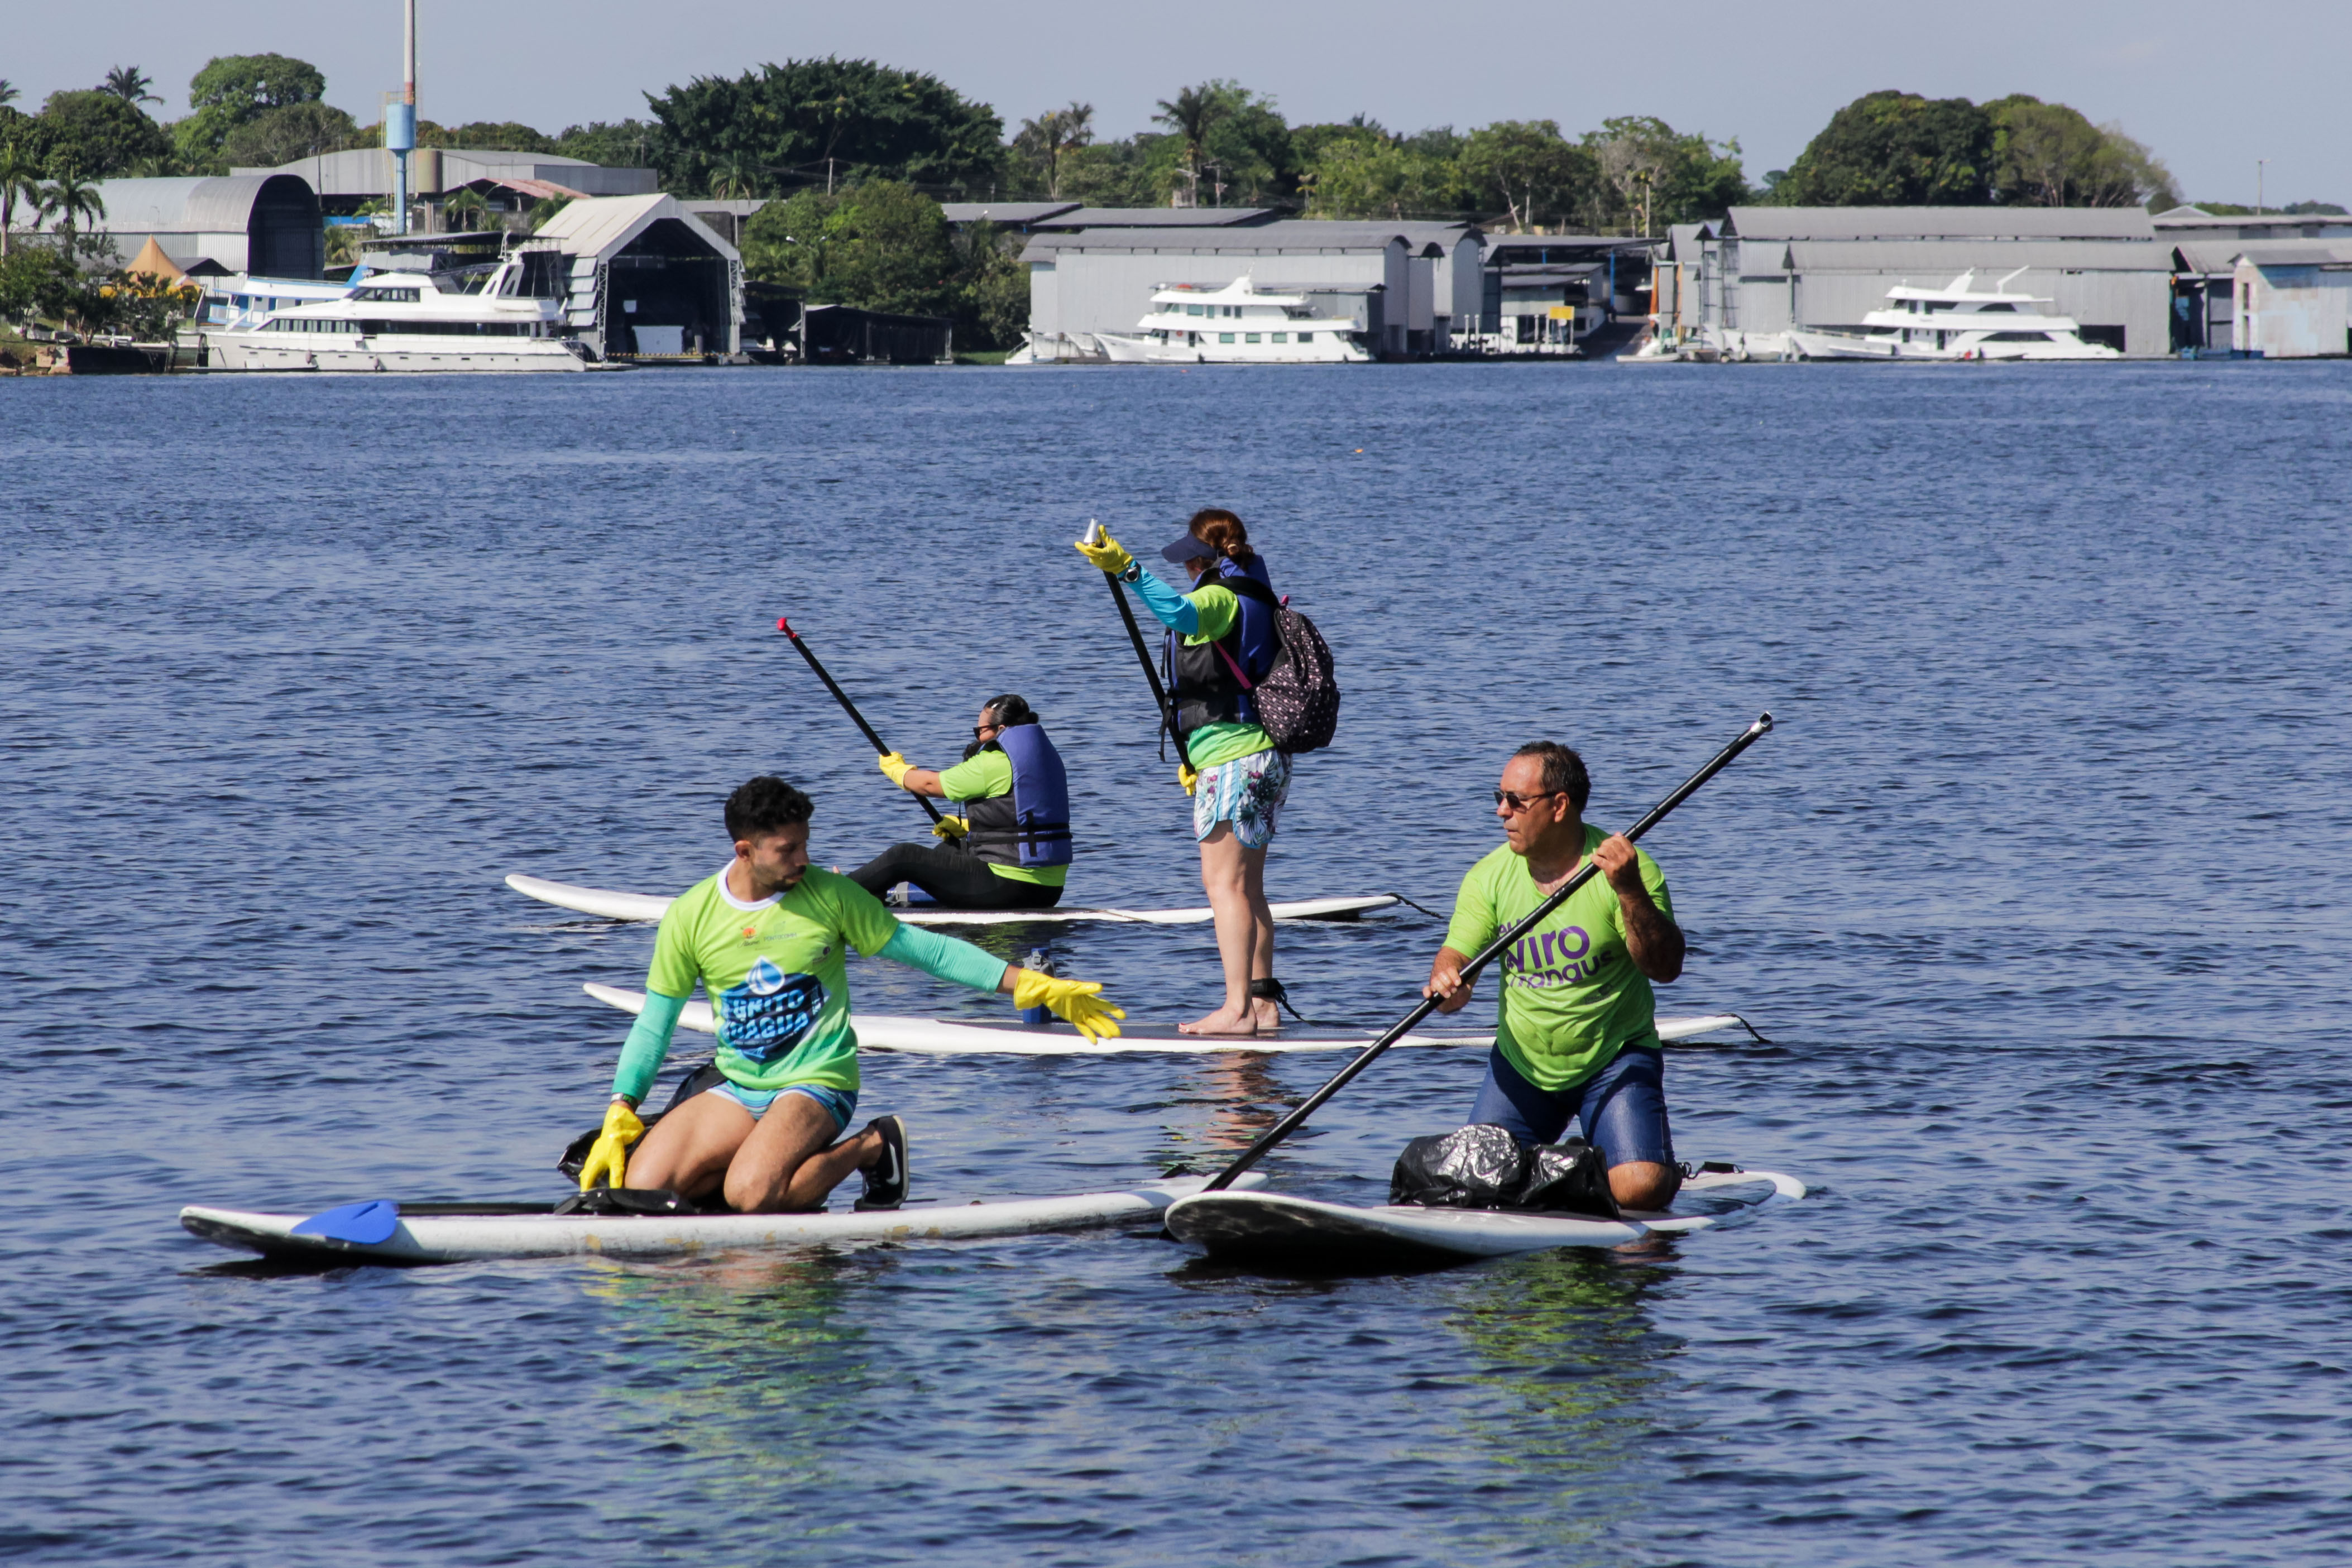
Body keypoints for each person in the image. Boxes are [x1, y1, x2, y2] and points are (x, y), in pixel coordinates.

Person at [574, 775, 1122, 1212]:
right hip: (737, 1084)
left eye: (806, 844)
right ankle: (747, 1164)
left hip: (818, 1082)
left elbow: (925, 949)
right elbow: (656, 1021)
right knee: (644, 1194)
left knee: (751, 1195)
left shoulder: (831, 897)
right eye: (788, 850)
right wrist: (622, 1104)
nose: (803, 860)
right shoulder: (691, 915)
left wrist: (1025, 982)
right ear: (745, 850)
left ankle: (872, 1145)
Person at [1421, 742, 1687, 1211]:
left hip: (1614, 1058)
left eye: (1516, 801)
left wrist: (1627, 890)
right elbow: (1453, 973)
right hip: (1521, 1068)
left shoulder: (1629, 868)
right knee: (1465, 1186)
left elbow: (1664, 969)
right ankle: (1569, 1168)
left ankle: (1618, 1161)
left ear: (1559, 805)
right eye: (1498, 796)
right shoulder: (1487, 877)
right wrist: (1447, 980)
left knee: (1639, 1191)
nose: (1501, 811)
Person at [1076, 511, 1290, 1037]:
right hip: (1258, 756)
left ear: (1210, 555)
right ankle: (1262, 1004)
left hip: (1234, 758)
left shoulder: (1219, 596)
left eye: (1193, 556)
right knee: (1248, 888)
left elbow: (1178, 613)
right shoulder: (1254, 588)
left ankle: (1236, 1009)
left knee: (1223, 887)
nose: (1189, 566)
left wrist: (1127, 569)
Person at [850, 694, 1071, 912]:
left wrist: (896, 770)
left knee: (904, 856)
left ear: (1001, 729)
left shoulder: (997, 761)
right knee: (950, 849)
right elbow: (1027, 816)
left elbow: (929, 785)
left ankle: (833, 894)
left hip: (1013, 887)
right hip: (1049, 888)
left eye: (980, 731)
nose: (977, 738)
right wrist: (969, 826)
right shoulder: (1045, 757)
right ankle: (875, 895)